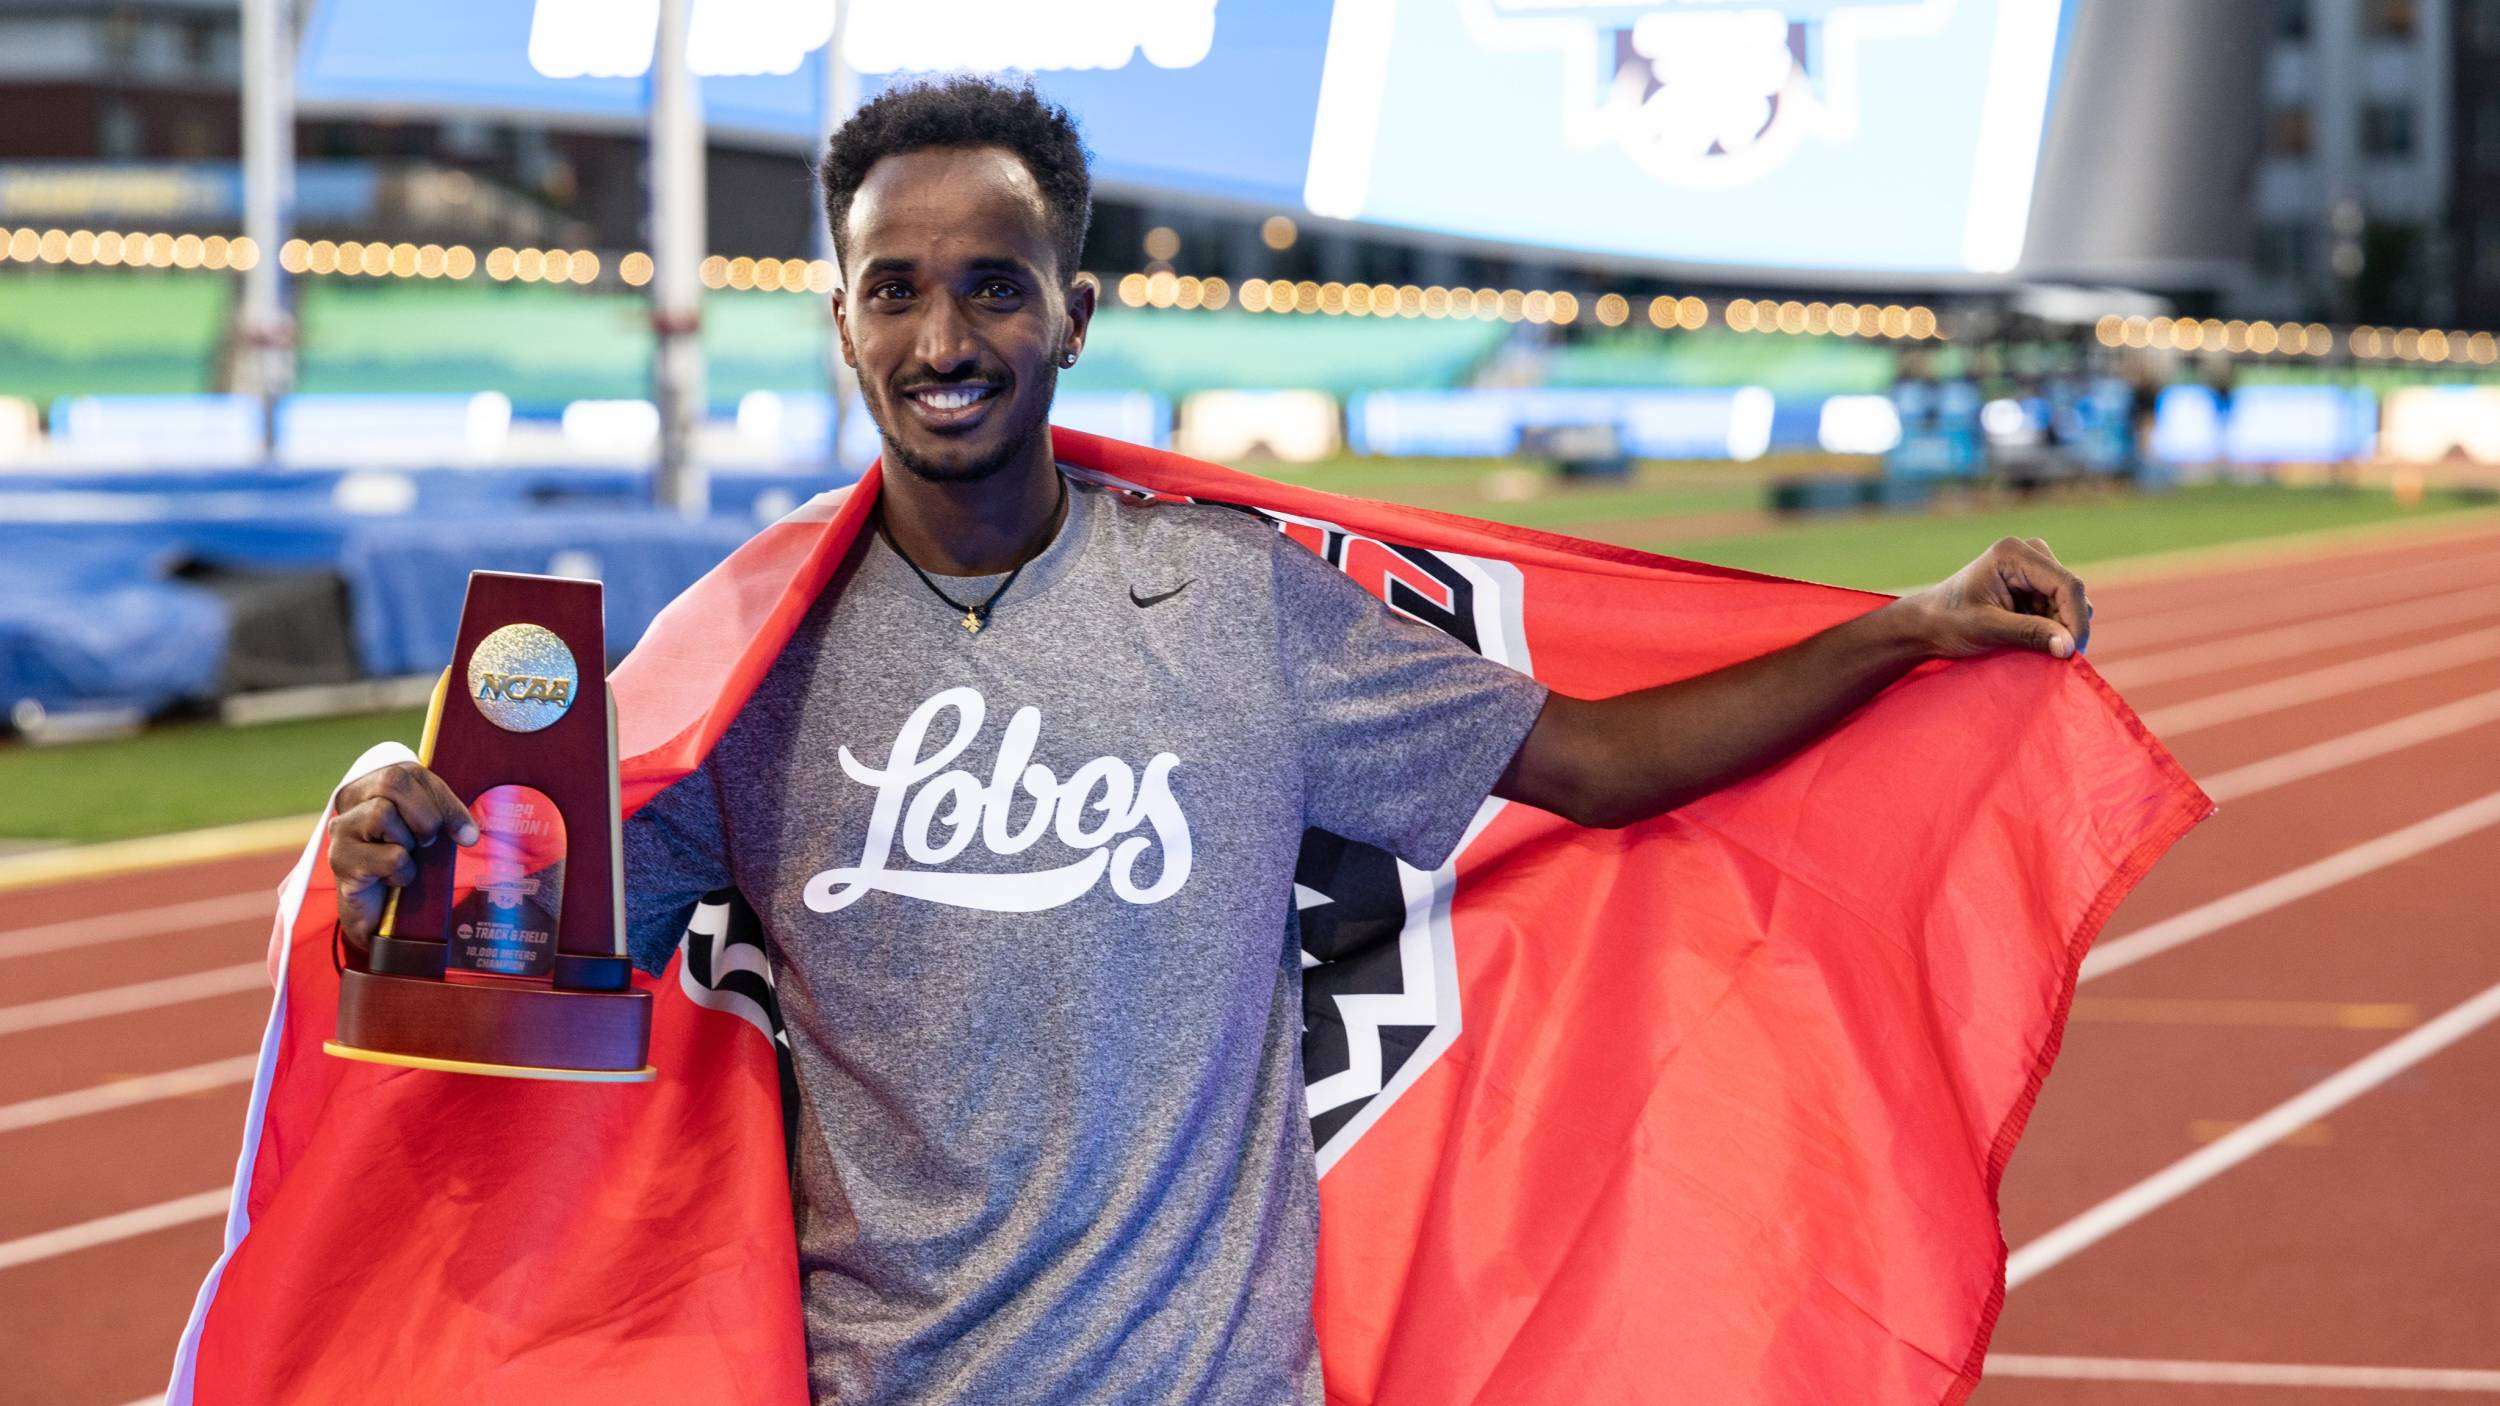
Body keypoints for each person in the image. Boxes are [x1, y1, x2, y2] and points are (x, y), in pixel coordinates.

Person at [325, 76, 2090, 1406]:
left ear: (1075, 316)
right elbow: (520, 965)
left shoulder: (1246, 606)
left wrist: (1901, 626)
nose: (950, 338)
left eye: (1000, 287)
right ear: (846, 322)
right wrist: (391, 845)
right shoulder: (752, 659)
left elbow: (1602, 763)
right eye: (899, 289)